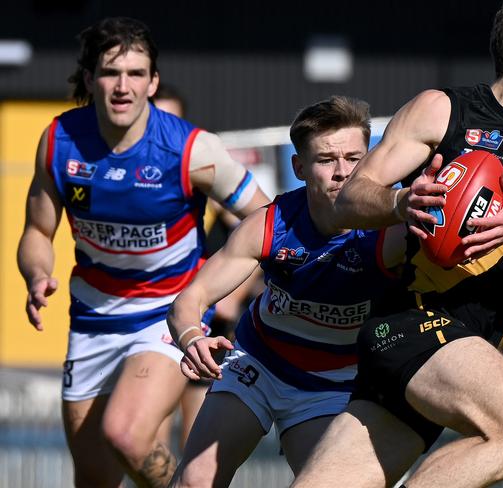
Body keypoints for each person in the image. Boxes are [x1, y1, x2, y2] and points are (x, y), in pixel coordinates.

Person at [292, 1, 503, 487]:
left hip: (463, 347)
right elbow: (350, 197)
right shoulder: (442, 109)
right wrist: (399, 204)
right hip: (409, 321)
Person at [17, 17, 268, 487]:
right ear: (90, 79)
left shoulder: (192, 150)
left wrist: (233, 287)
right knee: (93, 478)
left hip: (169, 310)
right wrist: (36, 274)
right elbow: (36, 229)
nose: (122, 86)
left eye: (136, 74)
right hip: (92, 316)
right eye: (111, 73)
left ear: (152, 82)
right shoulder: (58, 141)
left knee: (126, 434)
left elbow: (266, 221)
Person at [166, 96, 404, 487]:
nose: (342, 172)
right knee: (194, 481)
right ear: (299, 167)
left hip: (333, 385)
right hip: (258, 365)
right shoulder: (269, 224)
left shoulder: (392, 229)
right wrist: (192, 337)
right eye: (327, 159)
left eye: (354, 158)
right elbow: (188, 301)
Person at [151, 83, 260, 451]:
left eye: (171, 118)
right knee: (148, 434)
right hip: (155, 312)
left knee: (194, 428)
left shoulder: (201, 168)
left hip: (206, 314)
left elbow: (259, 234)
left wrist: (233, 297)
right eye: (156, 116)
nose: (161, 126)